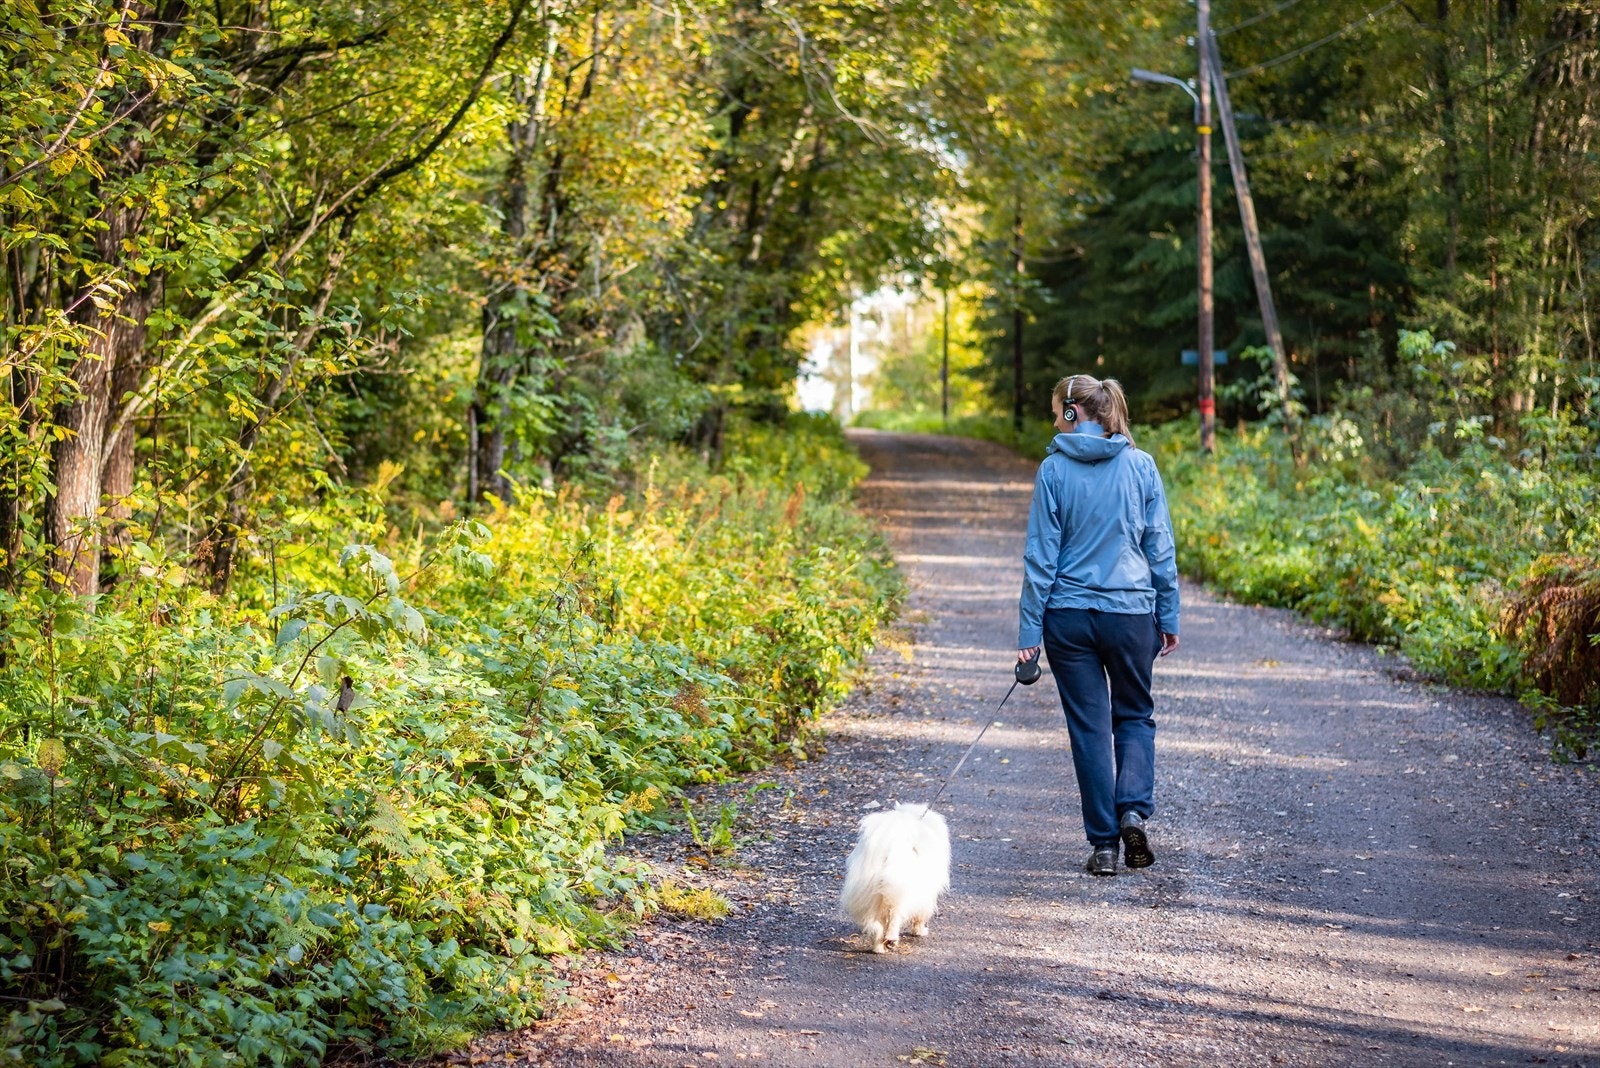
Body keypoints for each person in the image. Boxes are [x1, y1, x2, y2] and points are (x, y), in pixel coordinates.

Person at [1016, 374, 1180, 877]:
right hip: (1130, 615)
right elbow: (1161, 550)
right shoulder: (1141, 466)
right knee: (1133, 715)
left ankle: (1105, 845)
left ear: (1071, 413)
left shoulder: (1052, 471)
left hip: (1068, 618)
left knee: (1089, 728)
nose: (1054, 420)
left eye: (1056, 411)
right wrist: (1168, 615)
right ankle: (1132, 809)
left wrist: (1029, 635)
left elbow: (1040, 556)